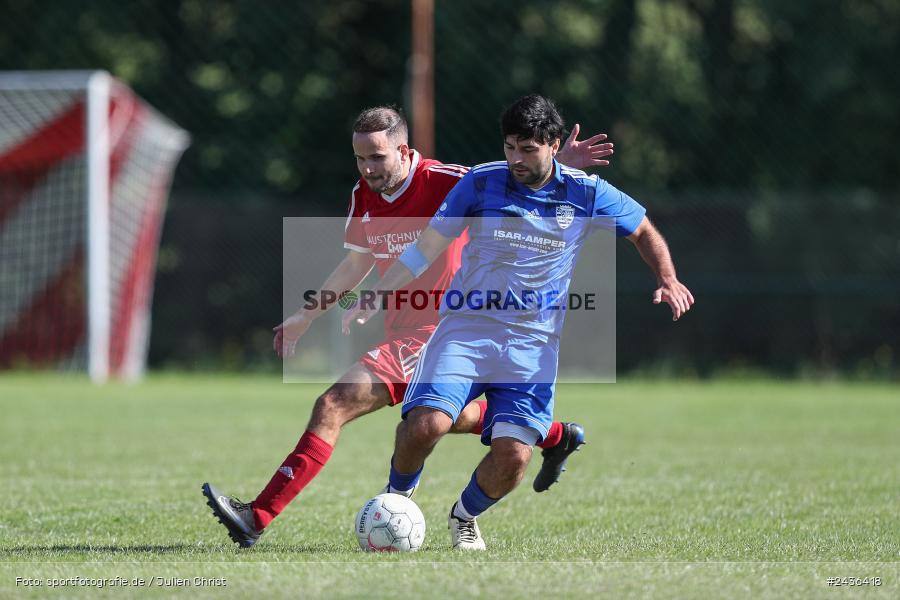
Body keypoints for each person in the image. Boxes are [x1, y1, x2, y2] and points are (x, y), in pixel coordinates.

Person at [201, 105, 615, 547]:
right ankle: (554, 434)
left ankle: (257, 516)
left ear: (403, 149)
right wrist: (307, 313)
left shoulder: (448, 179)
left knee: (334, 404)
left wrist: (561, 165)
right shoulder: (365, 194)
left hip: (446, 330)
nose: (367, 168)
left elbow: (516, 182)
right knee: (444, 419)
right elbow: (357, 262)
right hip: (403, 333)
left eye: (377, 157)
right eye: (360, 158)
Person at [343, 94, 694, 550]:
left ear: (551, 145)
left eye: (527, 149)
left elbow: (642, 229)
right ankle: (397, 499)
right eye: (510, 147)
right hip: (465, 330)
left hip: (533, 343)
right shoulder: (482, 183)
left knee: (513, 457)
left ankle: (464, 516)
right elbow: (427, 246)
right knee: (426, 423)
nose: (516, 159)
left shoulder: (585, 192)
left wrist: (667, 278)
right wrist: (378, 290)